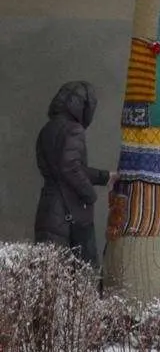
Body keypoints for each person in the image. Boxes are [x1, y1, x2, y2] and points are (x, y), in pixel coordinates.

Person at [33, 79, 109, 269]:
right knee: (82, 277)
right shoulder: (74, 130)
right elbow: (70, 168)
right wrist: (90, 195)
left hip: (48, 209)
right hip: (70, 213)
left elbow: (62, 168)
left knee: (50, 275)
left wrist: (104, 177)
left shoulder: (47, 129)